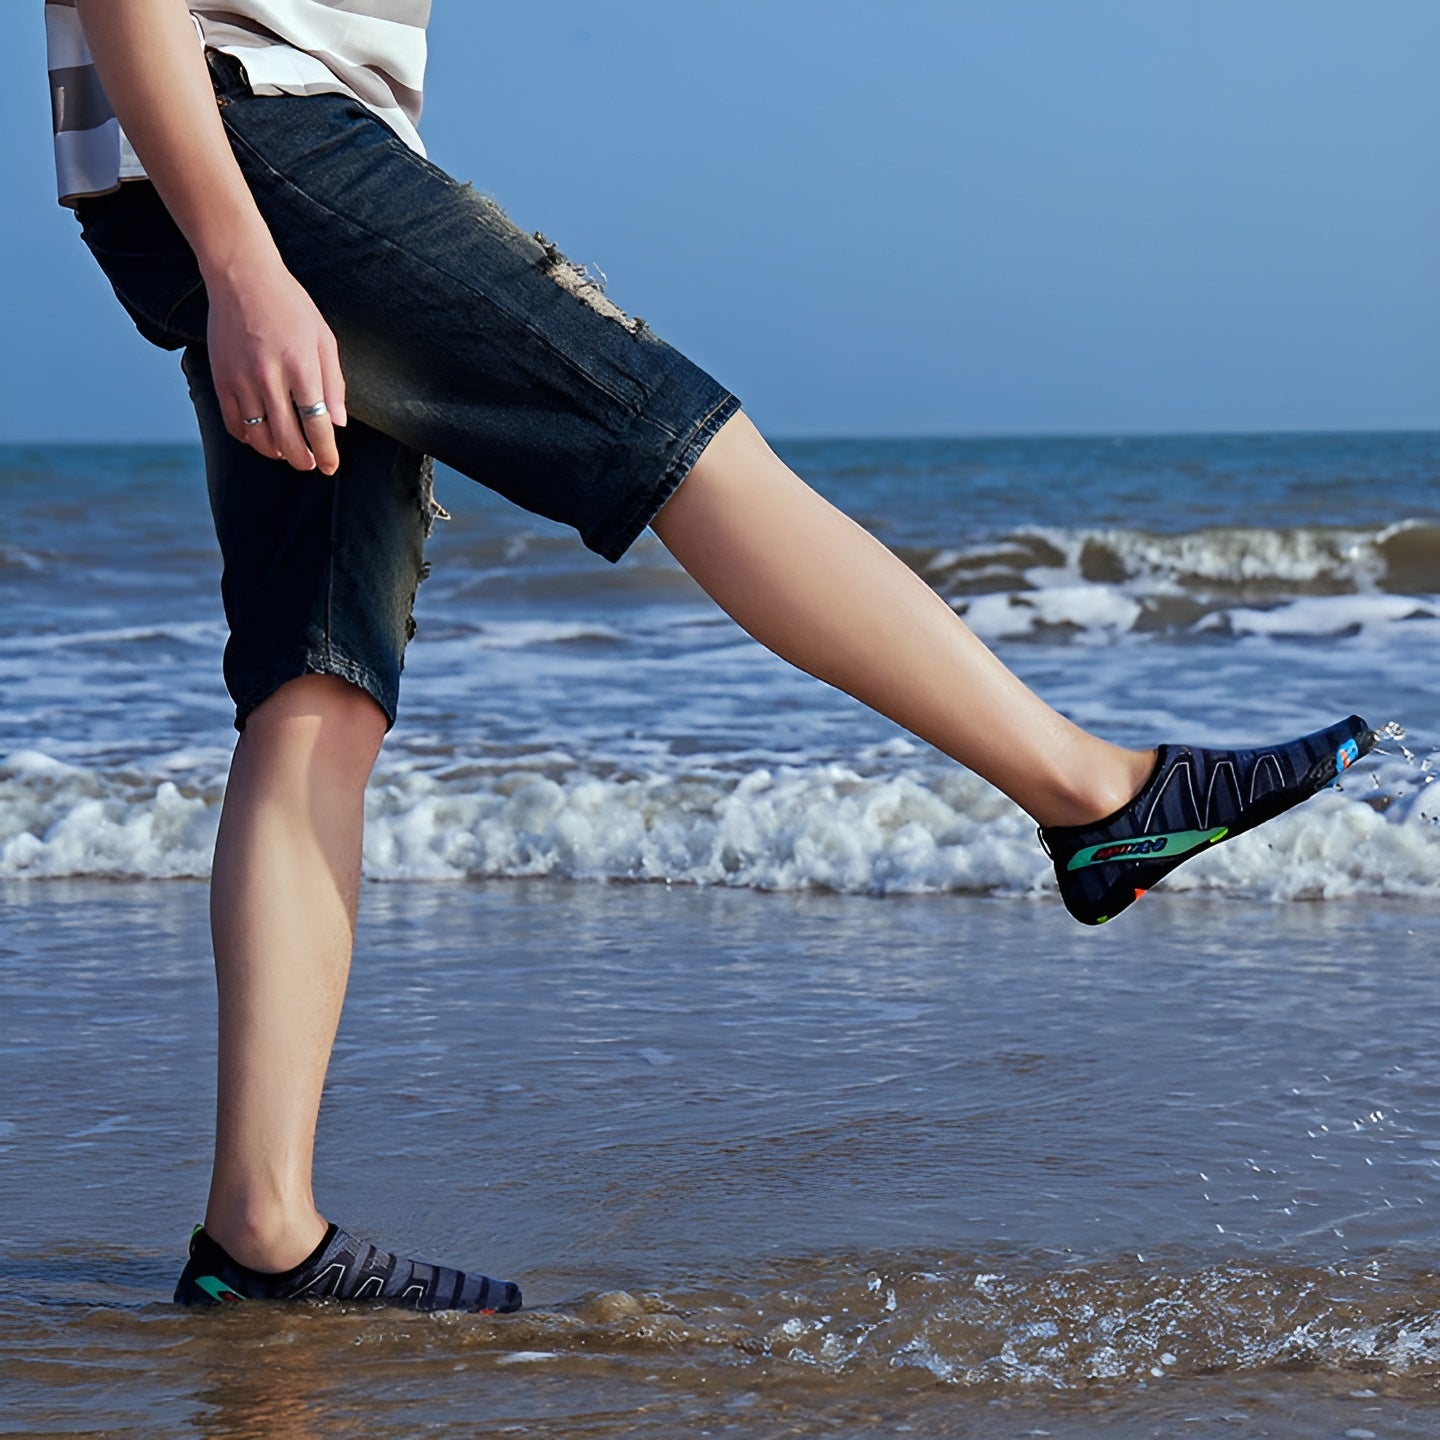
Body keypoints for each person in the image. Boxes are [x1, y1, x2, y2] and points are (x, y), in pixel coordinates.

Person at [46, 0, 1375, 1314]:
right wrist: (242, 264)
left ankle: (260, 1228)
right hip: (253, 139)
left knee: (318, 683)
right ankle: (1092, 793)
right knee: (660, 428)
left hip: (232, 156)